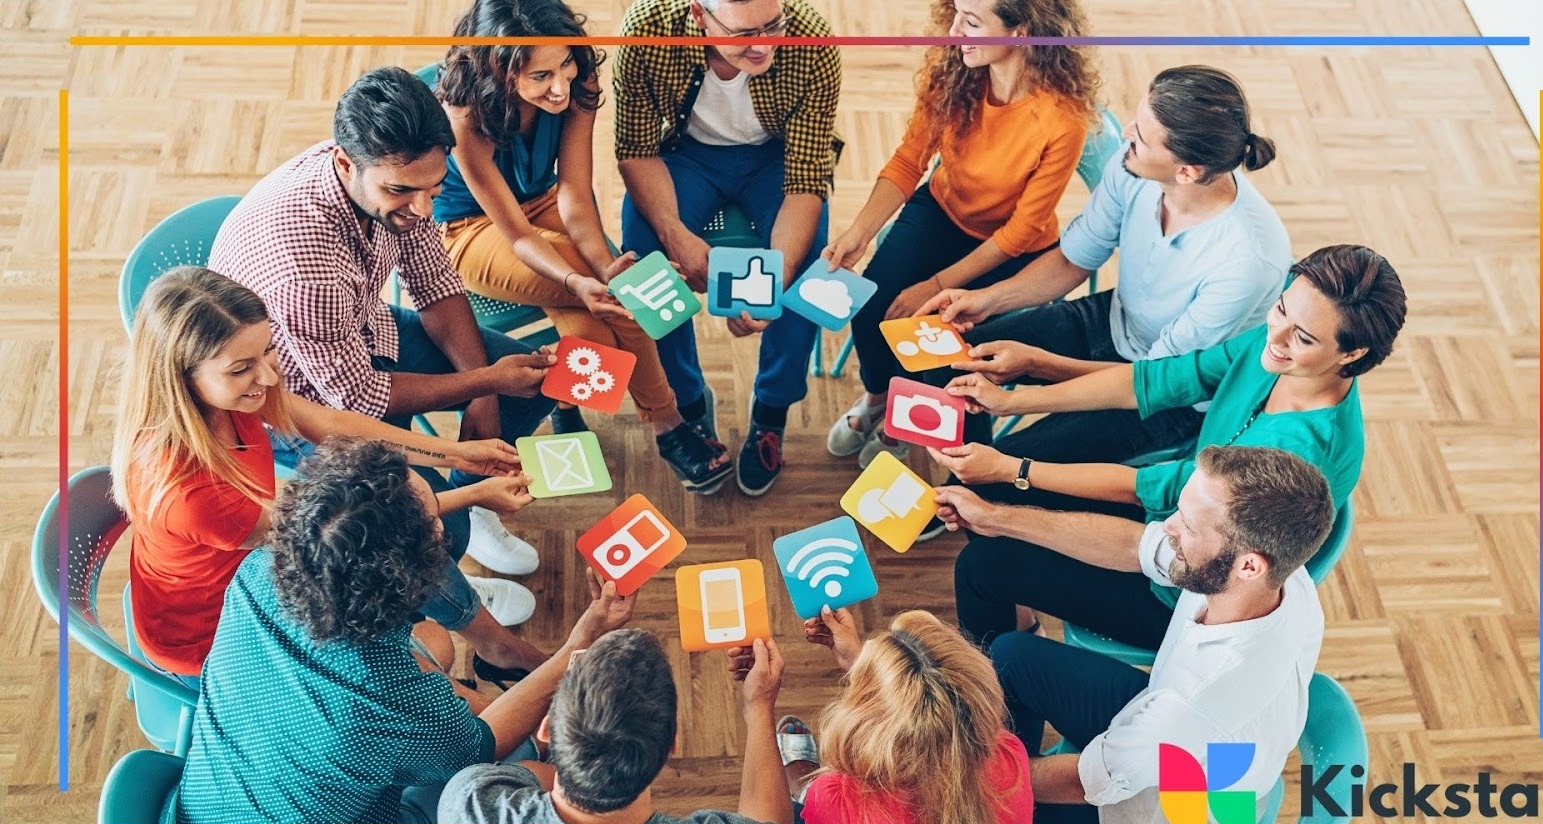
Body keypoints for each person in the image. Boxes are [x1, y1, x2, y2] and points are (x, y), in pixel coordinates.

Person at [167, 438, 639, 824]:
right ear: (409, 577)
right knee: (540, 774)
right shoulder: (377, 694)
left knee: (436, 643)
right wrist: (580, 643)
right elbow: (480, 746)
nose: (442, 529)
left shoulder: (257, 572)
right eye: (434, 525)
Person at [938, 243, 1406, 649]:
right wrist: (1025, 384)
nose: (1276, 335)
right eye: (1281, 309)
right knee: (996, 501)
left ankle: (998, 702)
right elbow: (1160, 380)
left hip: (1187, 588)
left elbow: (1145, 490)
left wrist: (1012, 470)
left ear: (1352, 354)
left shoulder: (1296, 455)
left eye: (1302, 337)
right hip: (1178, 516)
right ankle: (1020, 628)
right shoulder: (1280, 350)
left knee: (984, 565)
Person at [110, 266, 548, 687]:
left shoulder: (232, 392)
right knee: (402, 568)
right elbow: (351, 536)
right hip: (214, 631)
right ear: (180, 377)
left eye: (268, 349)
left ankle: (486, 641)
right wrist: (473, 493)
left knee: (420, 544)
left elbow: (335, 424)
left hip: (257, 568)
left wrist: (459, 455)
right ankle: (496, 649)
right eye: (241, 368)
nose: (269, 375)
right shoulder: (189, 493)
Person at [209, 65, 553, 577]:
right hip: (296, 398)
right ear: (345, 163)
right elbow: (357, 399)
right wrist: (484, 382)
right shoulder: (305, 272)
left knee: (531, 388)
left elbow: (434, 282)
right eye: (402, 191)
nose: (423, 208)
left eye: (435, 188)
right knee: (423, 527)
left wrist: (483, 394)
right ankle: (452, 576)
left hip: (363, 326)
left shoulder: (396, 179)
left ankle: (472, 497)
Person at [965, 446, 1335, 824]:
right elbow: (1137, 545)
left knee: (965, 796)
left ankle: (988, 813)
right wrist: (995, 518)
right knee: (1011, 653)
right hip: (1171, 741)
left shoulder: (1196, 701)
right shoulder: (1281, 577)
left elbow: (1086, 782)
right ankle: (998, 769)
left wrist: (973, 776)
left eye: (1188, 525)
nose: (1169, 527)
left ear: (1249, 565)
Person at [912, 65, 1292, 494]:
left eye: (1141, 136)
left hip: (1169, 395)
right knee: (947, 362)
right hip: (1116, 320)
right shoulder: (1132, 165)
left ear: (1186, 172)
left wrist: (1032, 367)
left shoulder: (1246, 262)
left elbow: (1152, 381)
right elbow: (1073, 259)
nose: (1125, 133)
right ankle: (969, 470)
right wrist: (988, 300)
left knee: (1006, 472)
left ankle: (976, 492)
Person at [431, 0, 731, 493]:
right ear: (499, 69)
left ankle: (574, 404)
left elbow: (573, 192)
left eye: (566, 64)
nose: (560, 87)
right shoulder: (465, 115)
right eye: (541, 76)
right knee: (622, 305)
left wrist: (606, 266)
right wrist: (577, 280)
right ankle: (666, 423)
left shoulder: (579, 82)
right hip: (474, 229)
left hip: (544, 200)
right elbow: (518, 235)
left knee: (605, 326)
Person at [824, 0, 1101, 469]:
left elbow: (1020, 232)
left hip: (1010, 247)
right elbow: (909, 161)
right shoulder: (953, 68)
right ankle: (878, 397)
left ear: (1020, 31)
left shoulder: (1061, 119)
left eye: (971, 22)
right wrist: (860, 232)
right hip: (941, 208)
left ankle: (902, 421)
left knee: (939, 342)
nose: (954, 31)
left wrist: (935, 286)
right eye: (955, 14)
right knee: (873, 305)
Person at [614, 0, 842, 496]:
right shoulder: (646, 29)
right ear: (700, 15)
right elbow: (635, 150)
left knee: (808, 269)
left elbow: (806, 179)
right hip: (685, 156)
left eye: (773, 25)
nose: (764, 45)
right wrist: (675, 235)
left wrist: (773, 284)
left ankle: (771, 411)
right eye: (744, 34)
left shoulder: (813, 39)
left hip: (776, 158)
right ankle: (687, 402)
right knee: (645, 262)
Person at [438, 630, 807, 824]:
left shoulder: (470, 806)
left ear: (547, 729)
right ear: (672, 746)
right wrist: (759, 706)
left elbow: (527, 774)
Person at [738, 608, 1033, 824]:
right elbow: (941, 727)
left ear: (868, 728)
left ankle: (802, 792)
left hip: (835, 818)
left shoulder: (838, 799)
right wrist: (863, 665)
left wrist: (759, 705)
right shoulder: (1010, 755)